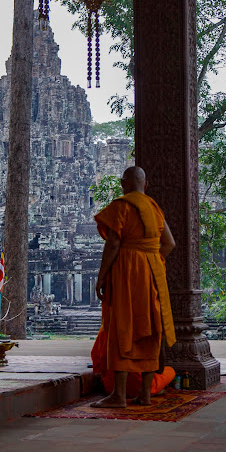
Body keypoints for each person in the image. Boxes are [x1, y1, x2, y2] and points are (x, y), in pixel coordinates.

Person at [91, 166, 176, 408]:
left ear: (123, 184)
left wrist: (102, 275)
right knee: (149, 327)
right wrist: (151, 258)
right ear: (146, 185)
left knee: (122, 326)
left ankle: (118, 395)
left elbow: (113, 244)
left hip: (127, 272)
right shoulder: (154, 207)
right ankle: (145, 395)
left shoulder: (121, 206)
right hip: (152, 271)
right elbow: (169, 244)